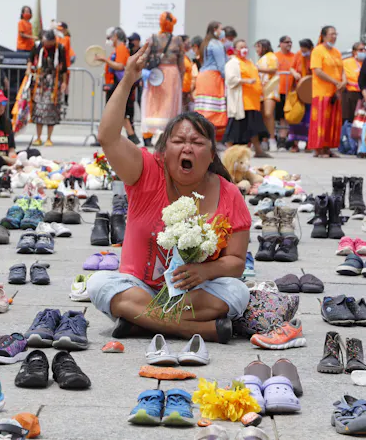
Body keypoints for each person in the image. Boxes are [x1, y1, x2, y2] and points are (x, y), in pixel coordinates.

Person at [87, 44, 250, 343]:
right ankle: (196, 330)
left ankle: (142, 322)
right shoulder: (147, 171)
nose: (187, 148)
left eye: (197, 142)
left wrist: (206, 271)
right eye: (178, 141)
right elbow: (108, 136)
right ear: (165, 149)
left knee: (237, 293)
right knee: (98, 284)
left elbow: (237, 262)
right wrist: (128, 80)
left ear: (211, 153)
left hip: (197, 293)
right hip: (140, 286)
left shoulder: (229, 194)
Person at [141, 12, 184, 145]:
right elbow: (181, 62)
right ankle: (167, 132)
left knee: (153, 102)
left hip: (156, 73)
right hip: (172, 73)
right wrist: (181, 78)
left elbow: (144, 57)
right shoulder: (177, 40)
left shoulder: (153, 38)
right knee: (170, 103)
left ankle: (151, 132)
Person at [223, 39, 270, 157]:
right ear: (235, 50)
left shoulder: (249, 62)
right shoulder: (233, 63)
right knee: (235, 126)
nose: (244, 49)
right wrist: (245, 81)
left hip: (253, 101)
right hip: (241, 101)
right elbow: (230, 79)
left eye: (245, 46)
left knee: (253, 127)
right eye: (241, 47)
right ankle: (228, 151)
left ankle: (258, 150)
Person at [308, 26, 345, 158]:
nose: (334, 36)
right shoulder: (318, 51)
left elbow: (342, 69)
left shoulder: (337, 52)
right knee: (321, 120)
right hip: (321, 92)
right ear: (323, 36)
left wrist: (343, 81)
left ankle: (328, 147)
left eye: (335, 34)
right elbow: (317, 71)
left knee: (333, 121)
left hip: (335, 92)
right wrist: (335, 82)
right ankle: (319, 148)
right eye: (331, 34)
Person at [97, 27, 138, 145]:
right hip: (115, 84)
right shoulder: (118, 49)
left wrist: (105, 59)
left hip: (116, 85)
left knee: (114, 113)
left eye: (110, 37)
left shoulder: (120, 49)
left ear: (115, 36)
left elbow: (120, 66)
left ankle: (130, 136)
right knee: (118, 114)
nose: (109, 39)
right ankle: (131, 136)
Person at [26, 30, 68, 146]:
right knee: (38, 109)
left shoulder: (60, 48)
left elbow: (64, 67)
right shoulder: (38, 46)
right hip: (40, 82)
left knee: (51, 109)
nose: (46, 44)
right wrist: (29, 69)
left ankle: (49, 138)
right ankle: (38, 137)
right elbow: (30, 58)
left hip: (53, 82)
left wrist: (64, 82)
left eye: (49, 42)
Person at [194, 21, 228, 141]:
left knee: (204, 110)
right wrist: (227, 78)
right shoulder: (216, 44)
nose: (222, 31)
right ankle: (212, 140)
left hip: (203, 77)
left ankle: (202, 138)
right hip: (213, 79)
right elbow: (221, 65)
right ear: (215, 29)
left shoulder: (205, 43)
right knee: (213, 111)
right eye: (220, 29)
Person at [287, 38, 313, 151]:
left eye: (305, 50)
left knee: (309, 118)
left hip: (311, 92)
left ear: (311, 49)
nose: (303, 52)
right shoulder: (298, 55)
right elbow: (292, 68)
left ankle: (309, 143)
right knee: (297, 117)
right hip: (298, 91)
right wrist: (295, 74)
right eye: (302, 50)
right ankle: (295, 144)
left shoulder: (315, 56)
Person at [255, 39, 279, 151]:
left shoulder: (271, 56)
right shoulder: (260, 59)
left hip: (270, 89)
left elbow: (273, 69)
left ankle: (272, 139)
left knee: (268, 114)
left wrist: (258, 69)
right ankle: (264, 139)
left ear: (264, 47)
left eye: (258, 47)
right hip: (261, 90)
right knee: (263, 116)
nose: (256, 50)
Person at [275, 36, 298, 147]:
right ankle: (281, 138)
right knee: (281, 116)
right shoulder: (275, 56)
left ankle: (290, 138)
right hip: (279, 91)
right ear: (280, 43)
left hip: (291, 92)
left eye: (290, 42)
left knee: (290, 115)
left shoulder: (294, 56)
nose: (289, 44)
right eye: (286, 42)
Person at [342, 42, 366, 123]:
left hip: (364, 93)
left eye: (364, 49)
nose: (363, 51)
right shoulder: (346, 62)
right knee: (349, 119)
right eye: (360, 50)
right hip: (350, 93)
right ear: (354, 52)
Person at [181, 34, 194, 110]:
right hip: (181, 91)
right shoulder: (178, 57)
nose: (189, 44)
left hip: (186, 92)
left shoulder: (186, 57)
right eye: (187, 42)